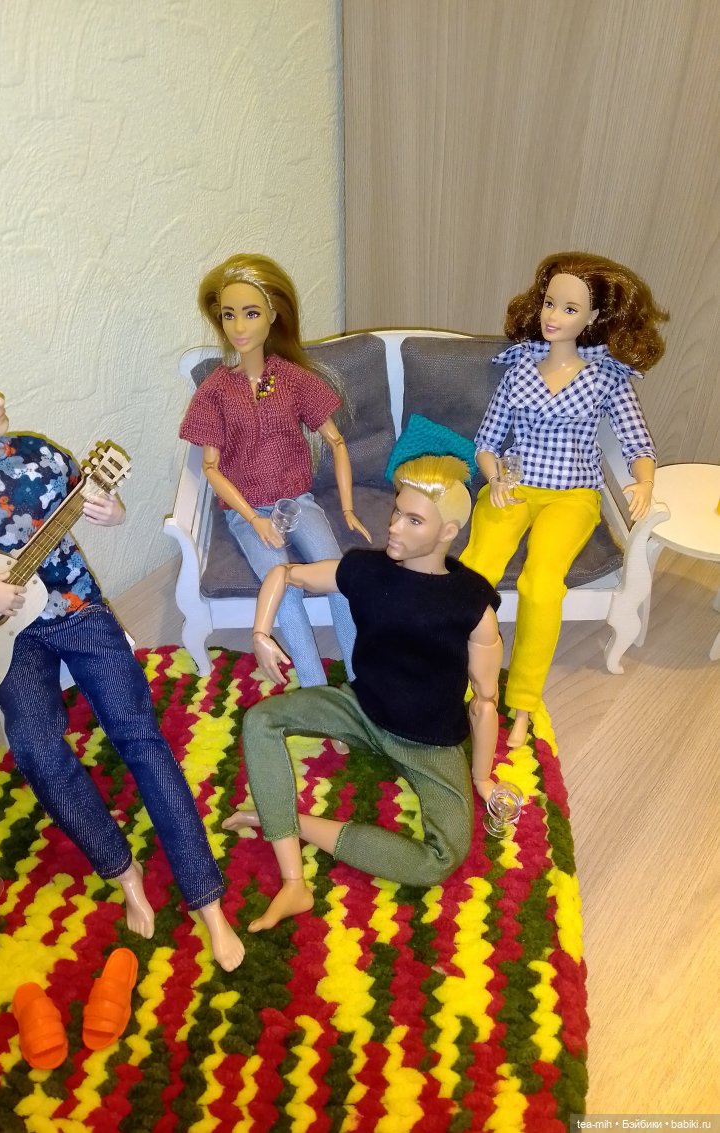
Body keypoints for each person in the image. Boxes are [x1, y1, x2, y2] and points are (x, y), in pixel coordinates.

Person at [0, 335, 244, 971]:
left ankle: (206, 896)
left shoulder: (41, 457)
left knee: (140, 735)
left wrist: (109, 508)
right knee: (35, 747)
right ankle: (122, 871)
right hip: (5, 641)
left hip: (80, 614)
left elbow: (109, 510)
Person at [222, 455, 502, 932]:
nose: (393, 526)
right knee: (261, 719)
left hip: (431, 741)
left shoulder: (472, 603)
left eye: (413, 520)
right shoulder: (368, 571)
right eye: (397, 511)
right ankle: (293, 882)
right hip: (361, 707)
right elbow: (285, 574)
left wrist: (480, 777)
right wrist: (260, 632)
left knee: (440, 861)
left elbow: (485, 701)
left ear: (448, 531)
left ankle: (285, 820)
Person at [459, 251, 668, 748]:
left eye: (569, 309)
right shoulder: (518, 369)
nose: (553, 316)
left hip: (573, 495)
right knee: (473, 572)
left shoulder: (607, 377)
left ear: (593, 317)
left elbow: (637, 443)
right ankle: (457, 676)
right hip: (514, 486)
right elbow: (486, 441)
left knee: (541, 583)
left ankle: (523, 702)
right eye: (550, 303)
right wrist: (495, 477)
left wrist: (644, 483)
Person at [179, 253, 371, 689]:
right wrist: (253, 519)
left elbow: (336, 441)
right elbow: (210, 467)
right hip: (246, 511)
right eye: (229, 315)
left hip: (297, 502)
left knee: (340, 579)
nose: (239, 327)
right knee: (285, 593)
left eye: (250, 313)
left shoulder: (293, 379)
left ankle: (363, 681)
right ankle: (315, 689)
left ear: (273, 315)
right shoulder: (214, 392)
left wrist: (347, 509)